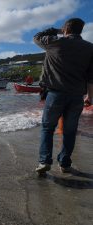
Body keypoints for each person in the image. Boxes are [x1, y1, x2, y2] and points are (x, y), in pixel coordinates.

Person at [33, 18, 93, 174]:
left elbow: (37, 37)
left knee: (47, 128)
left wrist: (56, 31)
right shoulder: (89, 48)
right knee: (70, 131)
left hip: (55, 94)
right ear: (81, 30)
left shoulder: (54, 43)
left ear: (65, 29)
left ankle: (44, 161)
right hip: (76, 96)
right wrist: (90, 97)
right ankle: (65, 163)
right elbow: (91, 77)